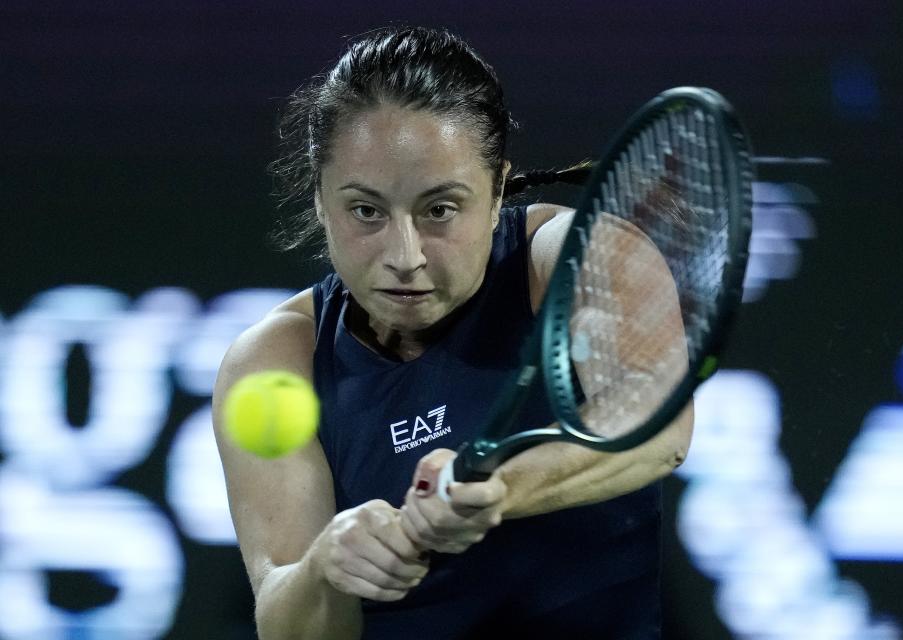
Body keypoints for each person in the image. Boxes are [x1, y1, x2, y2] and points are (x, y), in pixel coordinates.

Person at [213, 26, 693, 640]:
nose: (404, 255)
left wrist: (496, 486)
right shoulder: (274, 359)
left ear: (496, 194)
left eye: (440, 209)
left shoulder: (576, 258)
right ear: (319, 198)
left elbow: (657, 428)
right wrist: (326, 569)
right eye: (365, 210)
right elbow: (289, 624)